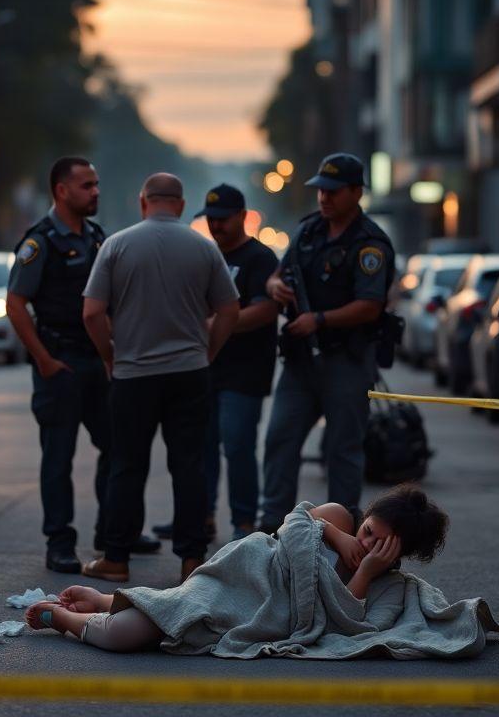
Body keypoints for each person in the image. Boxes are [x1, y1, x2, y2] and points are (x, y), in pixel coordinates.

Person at [24, 486, 495, 660]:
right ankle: (94, 609)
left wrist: (367, 572)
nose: (366, 544)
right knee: (132, 631)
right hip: (245, 571)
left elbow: (351, 628)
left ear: (398, 554)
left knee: (143, 628)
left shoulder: (389, 585)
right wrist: (338, 536)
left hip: (262, 614)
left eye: (380, 545)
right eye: (369, 530)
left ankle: (70, 616)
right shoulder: (338, 519)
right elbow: (289, 527)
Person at [81, 173, 240, 585]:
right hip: (189, 373)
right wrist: (209, 352)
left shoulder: (116, 245)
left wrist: (110, 356)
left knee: (126, 465)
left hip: (133, 376)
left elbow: (92, 313)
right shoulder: (204, 248)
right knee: (189, 465)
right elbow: (229, 309)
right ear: (182, 205)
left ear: (143, 201)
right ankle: (191, 560)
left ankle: (116, 558)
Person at [7, 157, 160, 575]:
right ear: (61, 190)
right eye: (86, 186)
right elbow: (16, 304)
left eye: (96, 184)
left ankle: (113, 533)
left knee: (116, 447)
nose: (95, 192)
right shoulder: (40, 242)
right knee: (58, 456)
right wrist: (44, 360)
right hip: (61, 362)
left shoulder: (96, 237)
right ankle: (59, 542)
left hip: (98, 360)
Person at [258, 153, 397, 534]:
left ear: (356, 192)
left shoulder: (370, 244)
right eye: (320, 190)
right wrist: (275, 287)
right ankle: (272, 530)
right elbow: (275, 275)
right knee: (279, 442)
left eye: (333, 192)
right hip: (302, 362)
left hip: (347, 361)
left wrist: (318, 319)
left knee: (342, 452)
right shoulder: (308, 232)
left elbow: (370, 306)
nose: (324, 198)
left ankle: (342, 536)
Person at [152, 184, 278, 543]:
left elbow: (267, 310)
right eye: (211, 220)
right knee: (198, 447)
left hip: (245, 369)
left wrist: (217, 323)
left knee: (237, 445)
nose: (217, 226)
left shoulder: (259, 258)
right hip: (203, 367)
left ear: (242, 216)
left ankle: (243, 523)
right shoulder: (203, 254)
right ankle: (198, 517)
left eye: (223, 219)